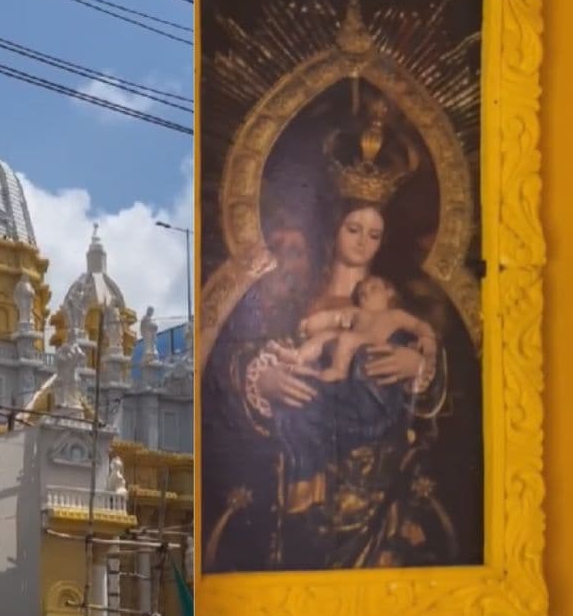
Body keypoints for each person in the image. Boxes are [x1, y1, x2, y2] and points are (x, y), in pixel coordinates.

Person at [202, 194, 481, 571]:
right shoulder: (294, 298)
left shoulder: (397, 303)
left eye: (374, 234)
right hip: (300, 464)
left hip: (377, 470)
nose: (363, 241)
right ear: (333, 231)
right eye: (353, 229)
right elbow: (235, 357)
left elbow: (441, 368)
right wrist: (263, 379)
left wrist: (417, 362)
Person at [273, 274, 437, 383]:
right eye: (361, 293)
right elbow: (331, 317)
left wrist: (427, 338)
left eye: (374, 288)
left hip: (372, 345)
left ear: (389, 292)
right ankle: (299, 356)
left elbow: (418, 325)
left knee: (346, 338)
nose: (366, 294)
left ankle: (339, 371)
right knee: (326, 336)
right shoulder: (355, 312)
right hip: (351, 342)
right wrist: (309, 324)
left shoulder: (395, 315)